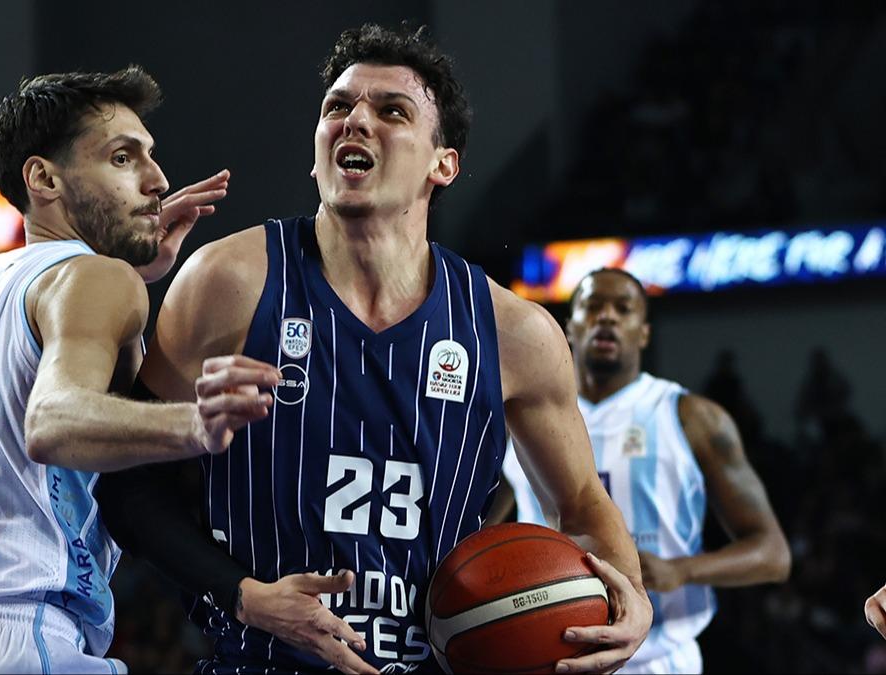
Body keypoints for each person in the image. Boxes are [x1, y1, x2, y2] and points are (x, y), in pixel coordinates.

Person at [96, 25, 652, 675]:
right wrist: (242, 593)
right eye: (338, 106)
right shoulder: (228, 282)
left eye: (392, 111)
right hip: (257, 662)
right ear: (317, 152)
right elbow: (127, 481)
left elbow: (582, 504)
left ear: (443, 164)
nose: (356, 120)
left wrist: (633, 599)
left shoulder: (514, 332)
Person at [0, 67, 282, 674]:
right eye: (122, 158)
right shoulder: (99, 279)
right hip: (4, 634)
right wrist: (194, 423)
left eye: (150, 156)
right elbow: (52, 420)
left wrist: (127, 270)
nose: (157, 180)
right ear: (44, 178)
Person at [492, 268, 791, 673]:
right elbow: (474, 533)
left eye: (623, 308)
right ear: (569, 326)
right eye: (593, 306)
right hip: (552, 653)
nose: (607, 317)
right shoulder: (517, 416)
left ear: (644, 333)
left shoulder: (691, 417)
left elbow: (773, 554)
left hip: (660, 658)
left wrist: (681, 570)